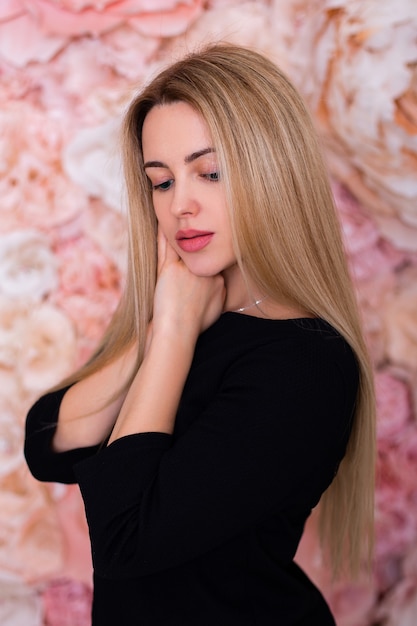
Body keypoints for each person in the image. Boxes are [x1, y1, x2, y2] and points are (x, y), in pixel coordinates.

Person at [24, 43, 375, 625]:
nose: (181, 205)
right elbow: (50, 442)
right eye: (160, 182)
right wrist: (168, 325)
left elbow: (123, 541)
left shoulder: (305, 364)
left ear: (274, 174)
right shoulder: (183, 319)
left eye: (209, 172)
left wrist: (177, 330)